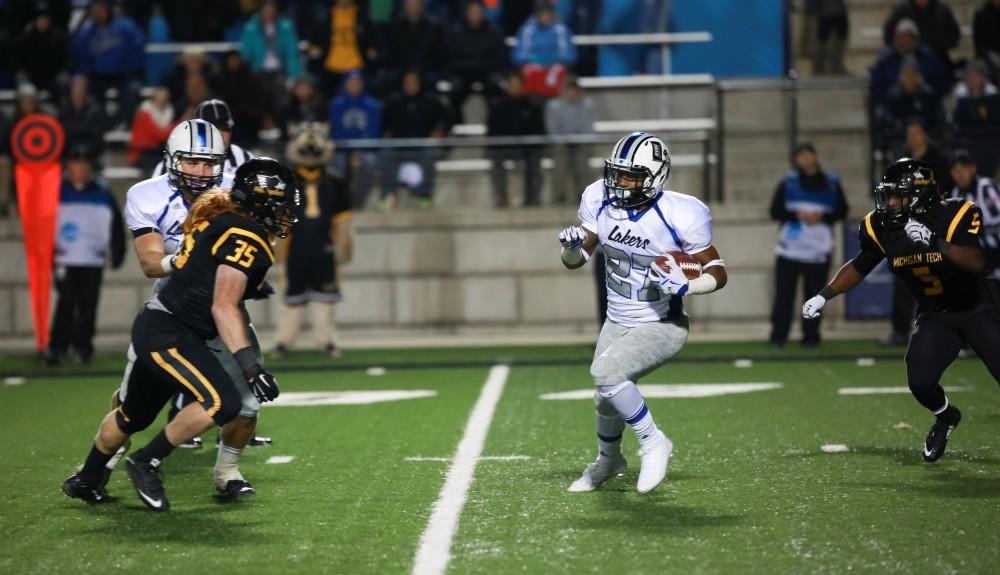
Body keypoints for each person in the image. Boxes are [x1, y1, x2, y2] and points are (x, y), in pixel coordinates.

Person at [62, 158, 297, 511]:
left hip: (157, 324)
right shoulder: (247, 235)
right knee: (223, 402)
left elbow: (211, 277)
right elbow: (223, 307)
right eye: (279, 202)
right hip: (172, 332)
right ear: (262, 201)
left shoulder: (222, 219)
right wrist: (251, 366)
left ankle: (86, 479)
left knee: (132, 416)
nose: (283, 211)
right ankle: (147, 461)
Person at [558, 131, 728, 493]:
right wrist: (571, 249)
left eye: (631, 176)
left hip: (661, 323)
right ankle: (610, 460)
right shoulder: (598, 198)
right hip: (617, 320)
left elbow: (718, 272)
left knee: (605, 372)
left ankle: (654, 443)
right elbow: (577, 260)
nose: (620, 182)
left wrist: (687, 286)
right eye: (617, 173)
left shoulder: (682, 213)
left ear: (656, 177)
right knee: (604, 399)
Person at [802, 158, 1000, 462]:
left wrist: (936, 243)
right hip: (936, 311)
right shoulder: (882, 227)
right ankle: (946, 416)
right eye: (889, 195)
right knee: (920, 381)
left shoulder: (956, 212)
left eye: (899, 196)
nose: (891, 203)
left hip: (975, 306)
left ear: (920, 195)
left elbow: (977, 262)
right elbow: (860, 265)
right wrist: (824, 295)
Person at [121, 120, 268, 487]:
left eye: (208, 163)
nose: (201, 172)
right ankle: (101, 466)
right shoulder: (147, 194)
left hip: (220, 301)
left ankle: (227, 472)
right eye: (191, 162)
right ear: (173, 159)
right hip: (171, 304)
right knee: (130, 402)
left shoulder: (232, 194)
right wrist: (181, 258)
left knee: (247, 402)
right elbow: (149, 263)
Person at [273, 123, 353, 358]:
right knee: (291, 298)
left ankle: (326, 340)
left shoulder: (336, 183)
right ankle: (284, 341)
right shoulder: (286, 182)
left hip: (324, 248)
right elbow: (280, 218)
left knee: (326, 298)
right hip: (295, 248)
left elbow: (343, 221)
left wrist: (345, 247)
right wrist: (277, 248)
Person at [47, 147, 125, 365]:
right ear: (68, 167)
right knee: (65, 303)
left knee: (89, 305)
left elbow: (115, 225)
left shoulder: (102, 192)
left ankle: (83, 347)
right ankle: (57, 347)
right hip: (65, 259)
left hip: (93, 259)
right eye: (75, 164)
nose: (80, 169)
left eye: (84, 164)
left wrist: (117, 252)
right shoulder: (56, 191)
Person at [769, 143, 848, 347]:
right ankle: (779, 335)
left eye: (808, 155)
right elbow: (775, 210)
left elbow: (842, 211)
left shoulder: (832, 183)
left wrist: (823, 216)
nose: (805, 159)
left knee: (814, 295)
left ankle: (811, 336)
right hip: (789, 250)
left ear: (815, 156)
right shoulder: (788, 182)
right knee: (784, 295)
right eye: (801, 156)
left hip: (818, 250)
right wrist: (797, 215)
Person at [379, 70, 450, 208]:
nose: (410, 85)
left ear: (419, 84)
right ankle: (388, 196)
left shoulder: (431, 101)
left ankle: (425, 196)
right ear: (403, 84)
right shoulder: (393, 101)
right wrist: (385, 134)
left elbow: (446, 119)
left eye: (414, 82)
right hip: (398, 146)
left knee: (431, 153)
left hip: (423, 146)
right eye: (407, 82)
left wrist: (440, 130)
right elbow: (383, 124)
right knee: (386, 152)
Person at [72, 0, 145, 129]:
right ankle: (99, 125)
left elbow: (137, 49)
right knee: (85, 90)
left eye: (100, 9)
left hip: (123, 74)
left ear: (108, 9)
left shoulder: (126, 27)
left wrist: (129, 68)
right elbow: (81, 59)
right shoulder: (87, 33)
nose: (97, 13)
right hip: (97, 76)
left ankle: (122, 123)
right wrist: (85, 74)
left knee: (133, 89)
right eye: (94, 11)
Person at [154, 99, 255, 178]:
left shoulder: (246, 160)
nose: (219, 134)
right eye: (212, 128)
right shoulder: (172, 163)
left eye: (224, 128)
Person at [487, 71, 545, 207]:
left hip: (526, 148)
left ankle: (532, 199)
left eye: (517, 84)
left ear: (522, 86)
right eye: (511, 84)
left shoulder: (532, 105)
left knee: (534, 160)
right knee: (495, 159)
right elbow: (492, 131)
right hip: (503, 147)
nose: (514, 87)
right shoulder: (497, 106)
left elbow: (538, 130)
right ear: (506, 86)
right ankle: (501, 198)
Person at [329, 70, 381, 209]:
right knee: (336, 166)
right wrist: (349, 150)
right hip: (341, 147)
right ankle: (340, 202)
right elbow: (335, 129)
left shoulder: (373, 105)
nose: (354, 85)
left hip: (364, 148)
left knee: (370, 163)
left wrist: (358, 150)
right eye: (350, 83)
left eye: (357, 83)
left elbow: (373, 131)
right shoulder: (336, 104)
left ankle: (357, 202)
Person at [545, 74, 596, 204]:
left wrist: (578, 139)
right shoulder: (553, 106)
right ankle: (559, 198)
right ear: (564, 90)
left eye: (574, 89)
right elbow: (552, 129)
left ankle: (583, 198)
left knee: (583, 165)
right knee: (560, 164)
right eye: (569, 89)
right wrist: (564, 140)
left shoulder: (587, 105)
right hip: (561, 144)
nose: (572, 93)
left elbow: (588, 127)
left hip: (580, 143)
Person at [949, 151, 1000, 279]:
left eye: (963, 169)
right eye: (955, 170)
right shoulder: (955, 195)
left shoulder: (987, 187)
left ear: (972, 169)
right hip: (981, 257)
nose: (960, 174)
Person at [882, 0, 960, 71]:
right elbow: (888, 37)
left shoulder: (942, 11)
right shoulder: (901, 11)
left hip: (937, 64)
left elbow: (954, 38)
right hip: (905, 67)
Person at [128, 87, 176, 171]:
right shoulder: (144, 114)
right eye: (159, 98)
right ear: (154, 99)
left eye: (164, 99)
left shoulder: (168, 113)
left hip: (154, 151)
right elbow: (159, 135)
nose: (162, 101)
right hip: (141, 154)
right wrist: (178, 123)